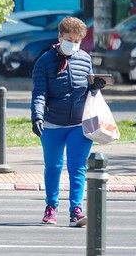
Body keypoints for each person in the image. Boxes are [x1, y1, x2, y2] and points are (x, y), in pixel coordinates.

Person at [31, 16, 106, 227]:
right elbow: (39, 93)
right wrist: (37, 116)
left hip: (79, 123)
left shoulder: (84, 58)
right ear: (60, 36)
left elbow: (89, 89)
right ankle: (51, 207)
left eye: (77, 40)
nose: (72, 44)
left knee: (77, 167)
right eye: (69, 38)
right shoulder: (44, 61)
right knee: (54, 166)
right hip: (53, 123)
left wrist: (96, 85)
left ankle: (76, 210)